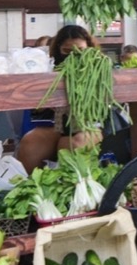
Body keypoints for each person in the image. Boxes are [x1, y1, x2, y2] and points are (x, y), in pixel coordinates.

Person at [16, 25, 103, 173]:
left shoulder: (100, 69)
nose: (73, 55)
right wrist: (46, 102)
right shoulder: (48, 70)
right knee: (30, 143)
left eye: (80, 50)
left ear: (89, 48)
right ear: (58, 50)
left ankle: (74, 184)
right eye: (66, 51)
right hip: (56, 125)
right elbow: (37, 111)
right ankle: (33, 184)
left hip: (90, 125)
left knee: (72, 144)